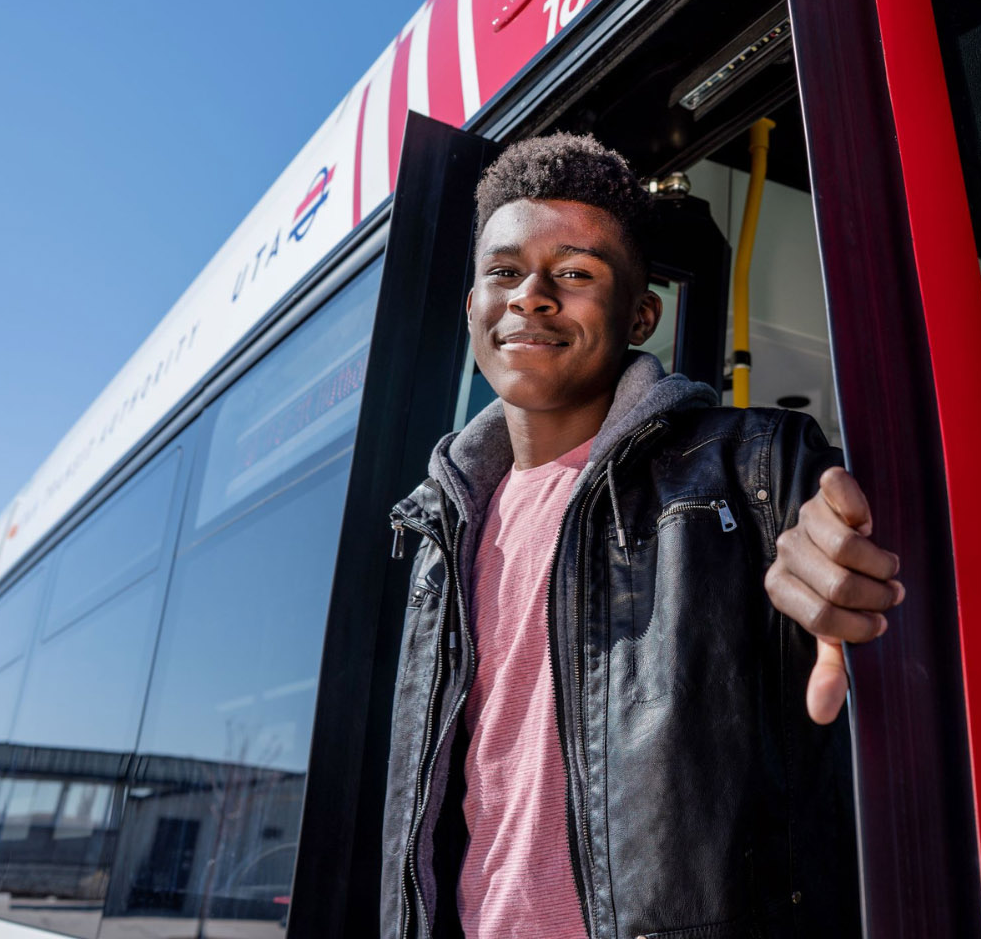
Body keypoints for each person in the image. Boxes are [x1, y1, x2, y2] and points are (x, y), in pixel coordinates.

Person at [382, 134, 898, 939]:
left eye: (575, 273)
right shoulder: (439, 531)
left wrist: (852, 588)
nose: (531, 297)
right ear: (473, 304)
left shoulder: (755, 470)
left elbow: (895, 584)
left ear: (641, 315)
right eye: (504, 273)